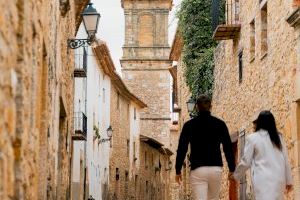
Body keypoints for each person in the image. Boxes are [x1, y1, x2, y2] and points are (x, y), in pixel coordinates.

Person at [175, 94, 236, 200]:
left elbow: (182, 148)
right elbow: (227, 147)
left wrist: (178, 170)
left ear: (197, 107)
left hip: (198, 170)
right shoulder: (220, 124)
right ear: (211, 106)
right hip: (215, 169)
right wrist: (232, 168)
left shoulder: (189, 125)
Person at [233, 110, 293, 200]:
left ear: (259, 122)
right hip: (279, 180)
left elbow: (246, 162)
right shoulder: (279, 137)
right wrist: (289, 180)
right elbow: (286, 160)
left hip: (263, 181)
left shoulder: (253, 138)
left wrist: (235, 176)